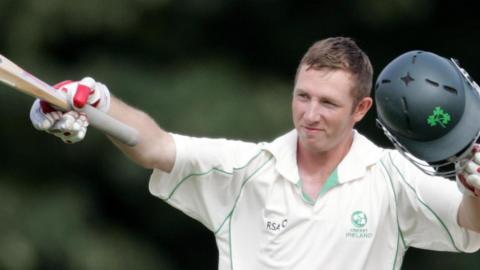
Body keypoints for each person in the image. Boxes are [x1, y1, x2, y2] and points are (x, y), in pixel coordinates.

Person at [29, 37, 480, 269]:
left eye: (328, 103)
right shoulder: (245, 168)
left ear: (361, 108)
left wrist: (476, 187)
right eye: (303, 96)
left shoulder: (391, 176)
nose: (310, 114)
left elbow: (468, 225)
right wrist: (97, 103)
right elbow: (157, 146)